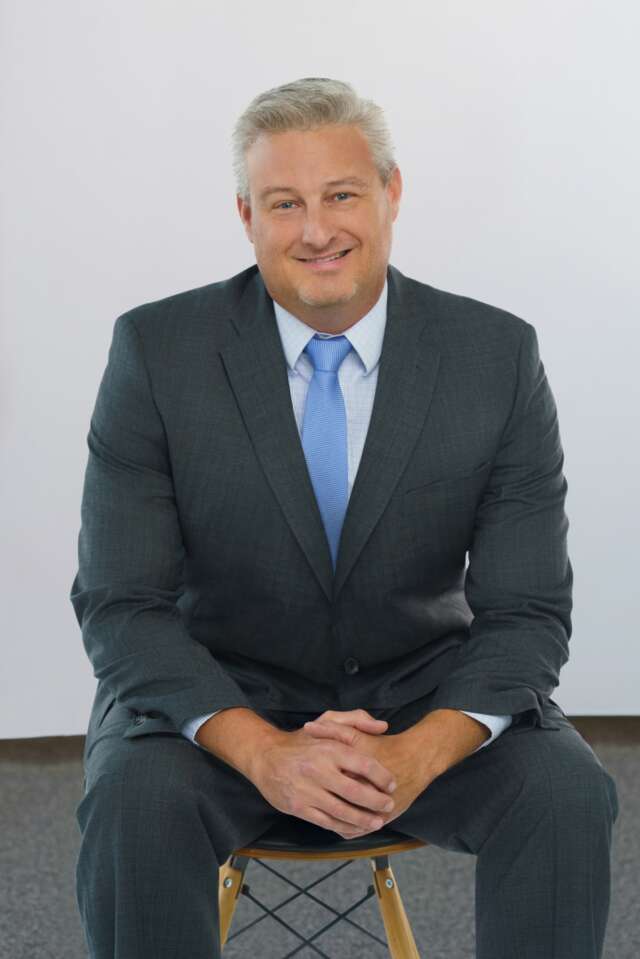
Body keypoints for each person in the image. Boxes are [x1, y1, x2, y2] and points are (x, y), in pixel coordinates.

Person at [71, 77, 619, 959]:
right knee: (133, 798)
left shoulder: (495, 357)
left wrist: (419, 752)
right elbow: (121, 603)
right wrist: (264, 750)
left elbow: (527, 612)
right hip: (221, 700)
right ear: (246, 215)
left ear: (392, 193)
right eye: (285, 203)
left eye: (342, 195)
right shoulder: (157, 352)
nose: (316, 230)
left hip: (420, 697)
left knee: (565, 791)